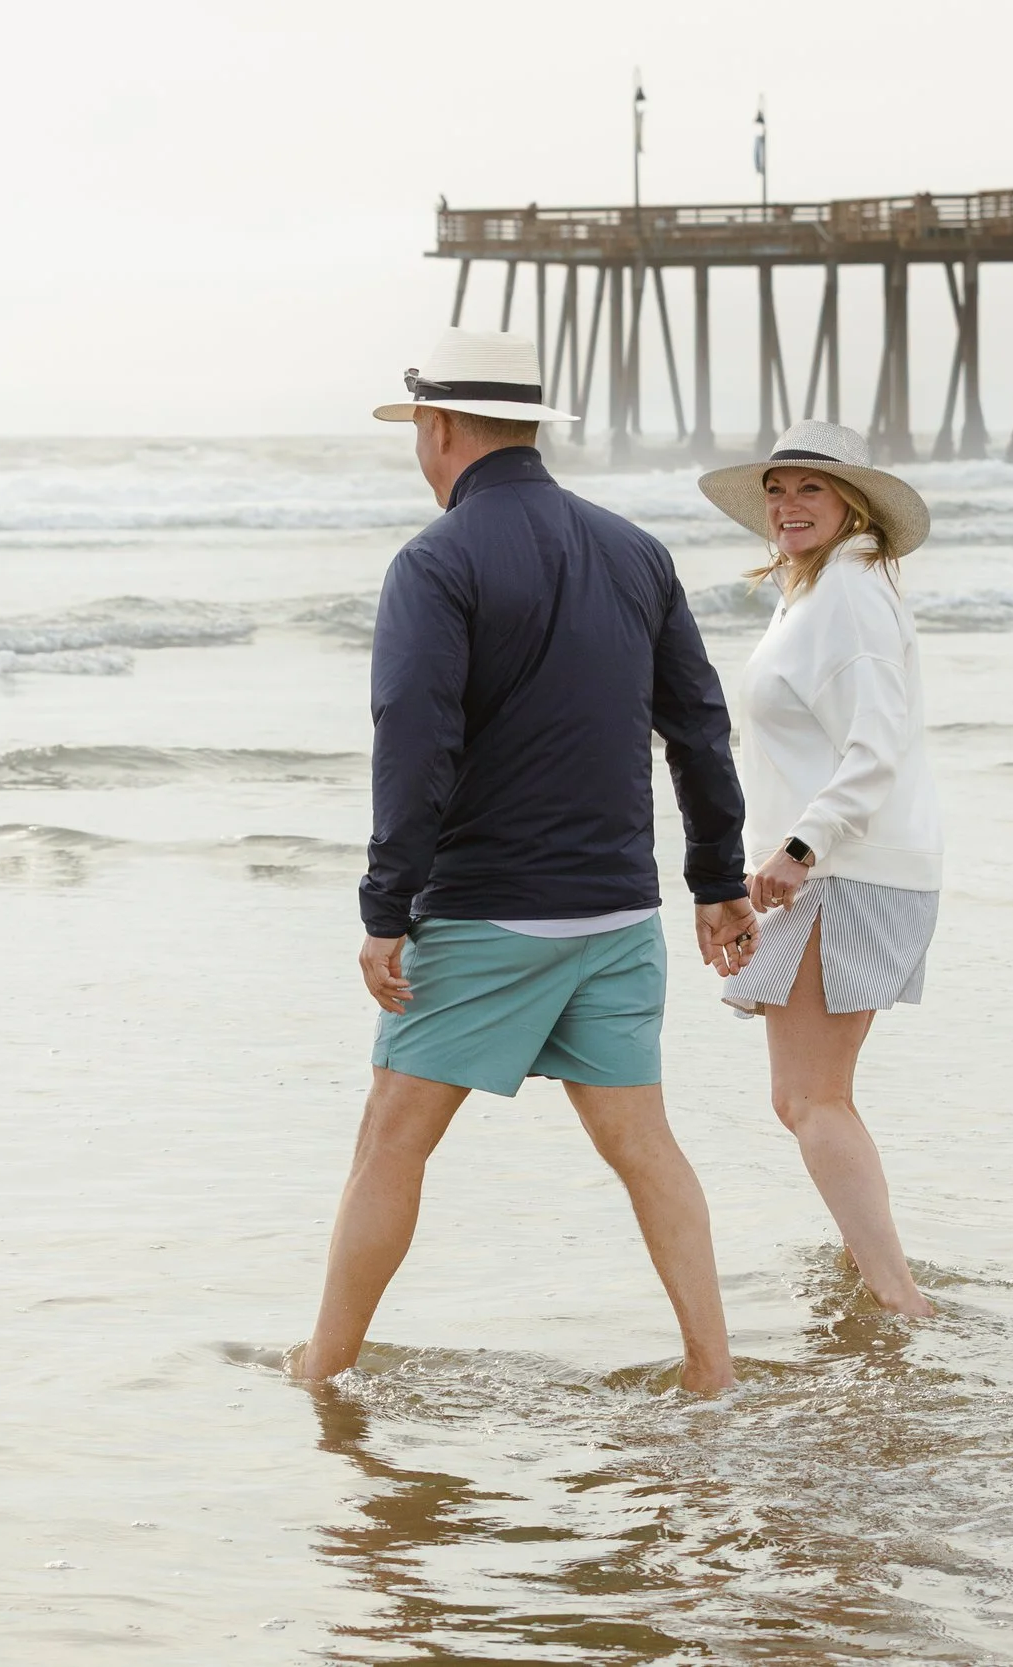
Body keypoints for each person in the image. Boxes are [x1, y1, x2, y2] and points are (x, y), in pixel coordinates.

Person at [295, 327, 758, 1394]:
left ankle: (321, 1370)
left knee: (389, 1141)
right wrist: (714, 881)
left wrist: (384, 902)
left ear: (439, 427)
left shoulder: (436, 560)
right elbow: (697, 725)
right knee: (647, 1148)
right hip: (616, 915)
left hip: (487, 913)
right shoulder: (636, 550)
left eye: (419, 425)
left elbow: (414, 735)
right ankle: (712, 1367)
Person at [697, 420, 943, 1319]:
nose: (788, 505)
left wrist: (801, 849)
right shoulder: (812, 593)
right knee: (807, 1095)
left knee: (810, 1096)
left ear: (852, 505)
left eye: (810, 489)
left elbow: (875, 747)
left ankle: (898, 1299)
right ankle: (876, 1273)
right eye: (776, 489)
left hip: (845, 869)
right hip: (837, 865)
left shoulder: (850, 595)